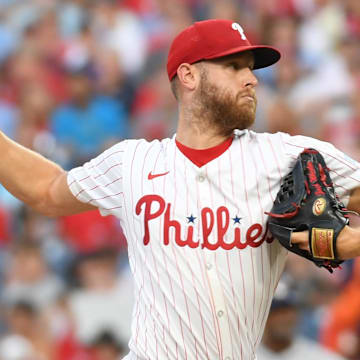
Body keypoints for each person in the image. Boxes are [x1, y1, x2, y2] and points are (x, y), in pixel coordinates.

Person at [0, 18, 360, 359]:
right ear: (188, 75)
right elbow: (46, 190)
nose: (251, 79)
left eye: (251, 68)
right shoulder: (132, 163)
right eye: (234, 67)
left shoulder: (284, 156)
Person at [257, 278, 345, 360]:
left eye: (289, 311)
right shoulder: (248, 353)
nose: (284, 318)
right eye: (277, 311)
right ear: (264, 316)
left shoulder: (318, 356)